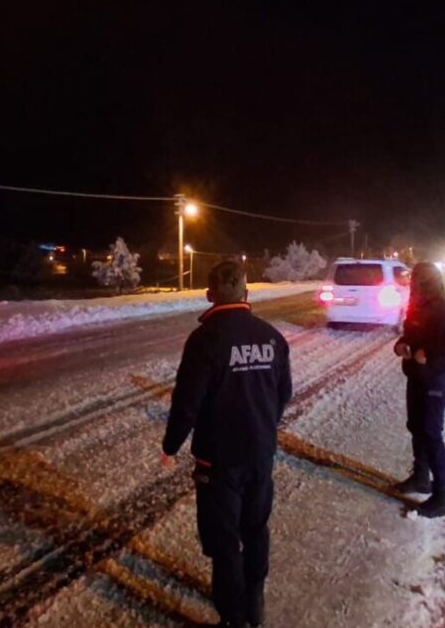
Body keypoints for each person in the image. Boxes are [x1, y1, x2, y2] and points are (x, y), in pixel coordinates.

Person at [161, 260, 292, 628]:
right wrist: (263, 425)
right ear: (246, 293)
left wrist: (170, 445)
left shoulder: (205, 340)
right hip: (259, 453)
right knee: (255, 527)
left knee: (224, 539)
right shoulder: (271, 337)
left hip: (218, 461)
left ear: (209, 295)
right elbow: (284, 393)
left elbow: (187, 402)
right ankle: (255, 602)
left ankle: (233, 616)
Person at [393, 262, 445, 517]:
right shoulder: (417, 305)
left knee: (431, 433)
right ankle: (421, 478)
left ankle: (442, 495)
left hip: (434, 380)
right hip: (416, 376)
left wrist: (430, 353)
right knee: (416, 427)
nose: (413, 282)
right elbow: (410, 334)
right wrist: (402, 344)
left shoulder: (438, 307)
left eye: (417, 278)